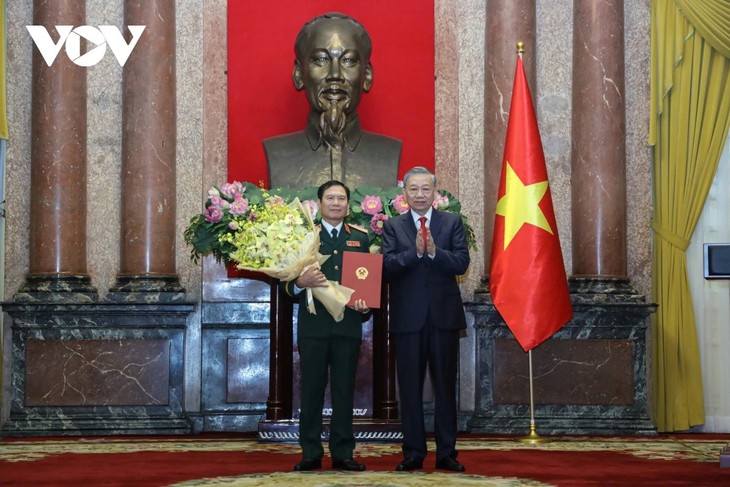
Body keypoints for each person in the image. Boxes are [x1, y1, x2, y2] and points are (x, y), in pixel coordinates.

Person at [381, 166, 471, 472]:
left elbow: (461, 262)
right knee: (409, 388)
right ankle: (414, 453)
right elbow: (386, 267)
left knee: (446, 388)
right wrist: (414, 254)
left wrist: (435, 252)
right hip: (408, 320)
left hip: (444, 319)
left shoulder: (451, 223)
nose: (420, 195)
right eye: (413, 189)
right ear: (404, 194)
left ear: (435, 193)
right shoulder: (393, 226)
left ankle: (447, 453)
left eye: (425, 189)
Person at [282, 180, 371, 472]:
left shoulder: (360, 237)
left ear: (348, 205)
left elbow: (365, 281)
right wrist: (299, 283)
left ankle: (343, 452)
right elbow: (284, 287)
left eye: (341, 199)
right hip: (314, 326)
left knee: (345, 389)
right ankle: (310, 452)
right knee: (312, 389)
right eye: (330, 198)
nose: (336, 203)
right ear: (319, 203)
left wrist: (366, 304)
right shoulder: (305, 236)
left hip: (348, 324)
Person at [264, 12, 401, 189]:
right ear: (299, 74)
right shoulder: (277, 152)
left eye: (348, 60)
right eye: (321, 60)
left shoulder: (388, 152)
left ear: (366, 75)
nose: (335, 75)